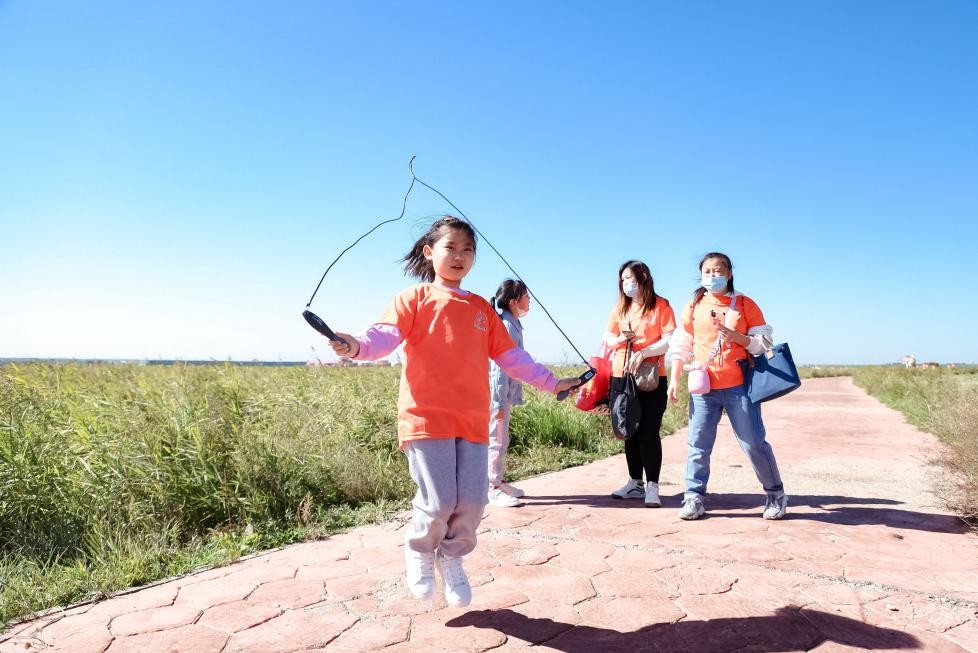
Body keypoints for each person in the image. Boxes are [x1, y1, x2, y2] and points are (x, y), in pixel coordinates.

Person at [327, 216, 581, 608]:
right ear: (430, 253)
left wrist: (552, 381)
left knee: (474, 502)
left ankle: (453, 558)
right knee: (439, 500)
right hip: (425, 417)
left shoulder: (482, 308)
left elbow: (513, 358)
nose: (459, 256)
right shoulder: (411, 300)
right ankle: (420, 550)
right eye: (451, 248)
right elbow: (381, 338)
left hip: (473, 419)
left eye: (467, 250)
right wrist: (354, 345)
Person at [666, 252, 787, 521]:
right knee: (698, 444)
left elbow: (763, 343)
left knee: (753, 443)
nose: (713, 276)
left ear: (730, 273)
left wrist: (737, 337)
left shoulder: (744, 304)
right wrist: (674, 380)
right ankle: (694, 498)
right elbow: (681, 345)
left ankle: (775, 494)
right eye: (707, 271)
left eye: (718, 270)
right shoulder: (694, 305)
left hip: (739, 386)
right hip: (703, 386)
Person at [603, 261, 675, 507]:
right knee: (628, 430)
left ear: (643, 277)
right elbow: (607, 337)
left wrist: (643, 352)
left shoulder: (661, 305)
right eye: (623, 280)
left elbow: (669, 340)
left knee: (648, 431)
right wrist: (621, 338)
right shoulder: (620, 308)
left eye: (629, 278)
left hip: (651, 376)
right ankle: (635, 483)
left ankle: (653, 485)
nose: (626, 284)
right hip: (621, 375)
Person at [487, 278, 531, 508]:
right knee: (496, 439)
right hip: (497, 396)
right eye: (526, 296)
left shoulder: (512, 322)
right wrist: (498, 402)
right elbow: (497, 368)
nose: (529, 301)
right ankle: (491, 487)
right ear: (514, 302)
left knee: (502, 439)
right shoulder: (505, 326)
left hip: (503, 394)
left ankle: (498, 481)